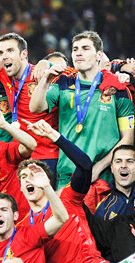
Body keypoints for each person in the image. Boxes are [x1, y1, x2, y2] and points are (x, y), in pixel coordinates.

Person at [21, 120, 135, 263]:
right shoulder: (24, 227)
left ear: (47, 179)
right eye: (24, 177)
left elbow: (84, 165)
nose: (30, 179)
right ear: (20, 186)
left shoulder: (67, 198)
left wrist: (56, 137)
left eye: (34, 174)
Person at [30, 30, 135, 187]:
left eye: (85, 48)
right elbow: (35, 108)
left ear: (99, 55)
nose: (78, 53)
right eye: (75, 49)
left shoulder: (117, 88)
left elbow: (127, 138)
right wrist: (45, 79)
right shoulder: (62, 83)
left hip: (104, 176)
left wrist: (99, 167)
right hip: (68, 173)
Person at [0, 33, 61, 181]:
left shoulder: (41, 75)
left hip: (45, 156)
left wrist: (46, 63)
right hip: (20, 155)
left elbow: (67, 69)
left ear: (24, 54)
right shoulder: (3, 71)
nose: (4, 56)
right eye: (1, 52)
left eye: (10, 50)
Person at [94, 145, 135, 220]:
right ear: (112, 168)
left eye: (129, 161)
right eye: (118, 161)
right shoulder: (103, 209)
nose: (123, 166)